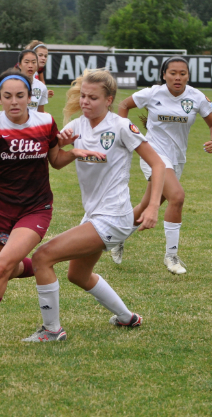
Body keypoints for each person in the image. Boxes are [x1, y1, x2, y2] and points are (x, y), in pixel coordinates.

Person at [0, 69, 105, 350]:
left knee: (3, 266)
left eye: (20, 96)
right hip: (1, 209)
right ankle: (46, 263)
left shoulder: (45, 122)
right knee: (10, 267)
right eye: (7, 97)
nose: (14, 102)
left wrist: (74, 153)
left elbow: (54, 159)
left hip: (36, 208)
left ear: (31, 97)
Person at [21, 69, 166, 342]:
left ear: (109, 100)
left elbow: (157, 164)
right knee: (78, 275)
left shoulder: (121, 126)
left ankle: (52, 331)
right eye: (83, 96)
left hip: (114, 216)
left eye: (93, 98)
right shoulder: (77, 126)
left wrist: (153, 207)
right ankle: (128, 318)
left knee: (42, 258)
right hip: (94, 215)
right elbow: (57, 162)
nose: (86, 102)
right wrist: (59, 146)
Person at [110, 57, 212, 275]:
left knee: (147, 205)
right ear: (164, 75)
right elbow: (124, 105)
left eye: (183, 73)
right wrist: (124, 134)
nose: (178, 77)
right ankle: (171, 256)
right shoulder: (153, 93)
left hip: (177, 158)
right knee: (177, 196)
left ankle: (116, 239)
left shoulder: (196, 97)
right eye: (173, 73)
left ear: (188, 75)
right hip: (153, 154)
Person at [0, 50, 50, 224]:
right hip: (12, 132)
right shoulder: (11, 83)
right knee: (7, 168)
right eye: (26, 61)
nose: (30, 65)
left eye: (34, 62)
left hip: (32, 136)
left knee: (18, 172)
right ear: (19, 64)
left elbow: (42, 114)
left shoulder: (41, 87)